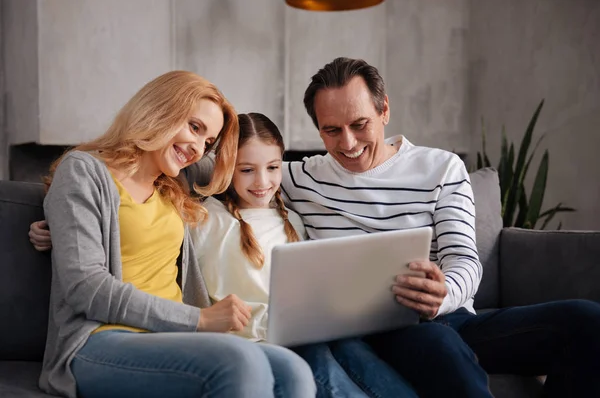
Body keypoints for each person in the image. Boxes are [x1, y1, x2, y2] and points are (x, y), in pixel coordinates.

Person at [277, 57, 600, 397]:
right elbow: (228, 161)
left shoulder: (441, 168)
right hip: (364, 333)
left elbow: (463, 259)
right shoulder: (299, 176)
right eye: (331, 130)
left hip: (448, 317)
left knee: (586, 321)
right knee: (436, 342)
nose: (348, 143)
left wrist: (443, 293)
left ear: (384, 110)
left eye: (360, 124)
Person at [38, 70, 315, 398]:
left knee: (292, 369)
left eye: (208, 142)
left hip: (173, 336)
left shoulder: (179, 180)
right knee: (238, 360)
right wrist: (198, 319)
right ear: (161, 109)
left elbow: (253, 165)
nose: (197, 149)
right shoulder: (84, 171)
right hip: (99, 338)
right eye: (194, 127)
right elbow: (87, 289)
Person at [193, 112, 417, 398]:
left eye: (273, 167)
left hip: (305, 329)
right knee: (321, 363)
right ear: (227, 167)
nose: (263, 181)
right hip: (256, 340)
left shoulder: (292, 219)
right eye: (247, 170)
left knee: (357, 353)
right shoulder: (207, 219)